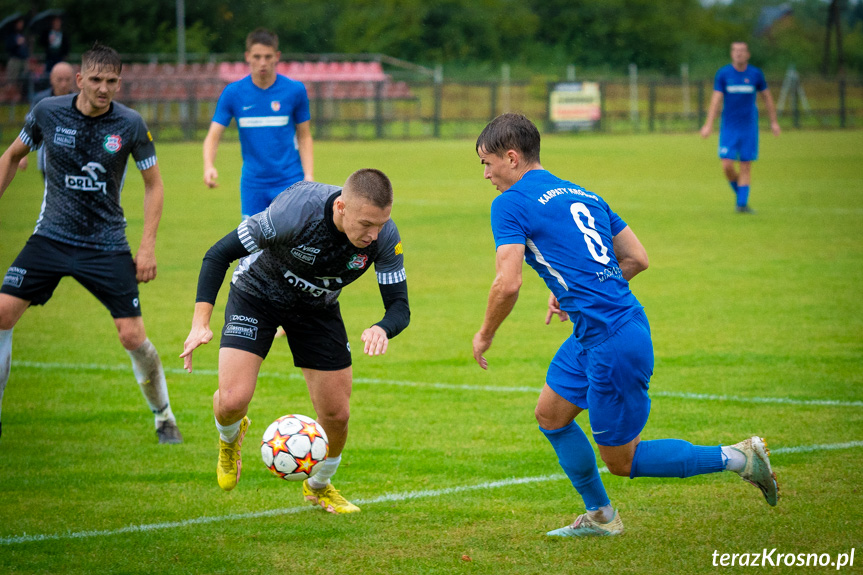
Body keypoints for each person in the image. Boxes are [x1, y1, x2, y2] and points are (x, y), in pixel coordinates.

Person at [472, 113, 778, 537]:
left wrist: (485, 335)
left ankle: (740, 457)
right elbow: (637, 258)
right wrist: (576, 291)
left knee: (622, 461)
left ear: (512, 157)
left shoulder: (509, 203)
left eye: (487, 163)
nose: (485, 174)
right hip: (602, 330)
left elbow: (507, 284)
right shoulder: (584, 194)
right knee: (551, 416)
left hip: (612, 343)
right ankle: (601, 517)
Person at [180, 169, 409, 513]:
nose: (374, 235)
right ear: (342, 207)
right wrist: (200, 323)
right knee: (232, 400)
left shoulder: (385, 236)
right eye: (366, 225)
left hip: (317, 308)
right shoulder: (295, 211)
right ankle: (230, 441)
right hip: (257, 294)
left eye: (380, 224)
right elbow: (218, 254)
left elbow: (399, 306)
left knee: (337, 413)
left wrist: (382, 327)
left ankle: (318, 486)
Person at [0, 43, 182, 444]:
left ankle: (163, 416)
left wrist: (146, 247)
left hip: (106, 244)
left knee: (132, 336)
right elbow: (13, 155)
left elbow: (154, 185)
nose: (104, 88)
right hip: (50, 236)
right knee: (1, 314)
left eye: (112, 81)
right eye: (96, 80)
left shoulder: (130, 124)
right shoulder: (48, 112)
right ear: (80, 79)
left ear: (119, 82)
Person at [203, 27, 314, 219]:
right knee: (254, 247)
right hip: (253, 184)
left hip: (290, 180)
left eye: (268, 56)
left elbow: (304, 136)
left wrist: (309, 175)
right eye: (257, 56)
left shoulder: (295, 90)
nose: (262, 62)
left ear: (277, 56)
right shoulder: (233, 93)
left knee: (290, 244)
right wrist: (208, 165)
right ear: (247, 56)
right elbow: (213, 136)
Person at [700, 42, 780, 213]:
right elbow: (716, 100)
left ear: (748, 54)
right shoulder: (724, 74)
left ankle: (741, 205)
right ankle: (741, 196)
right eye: (736, 51)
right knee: (727, 165)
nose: (739, 54)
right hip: (729, 127)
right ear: (732, 54)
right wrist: (708, 125)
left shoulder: (755, 74)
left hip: (749, 127)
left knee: (745, 165)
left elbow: (767, 98)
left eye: (742, 51)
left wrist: (774, 122)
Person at [18, 61, 75, 174]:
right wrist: (22, 154)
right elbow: (29, 126)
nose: (64, 84)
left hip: (73, 157)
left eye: (67, 79)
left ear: (74, 79)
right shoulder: (42, 101)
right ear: (51, 79)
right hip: (47, 155)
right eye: (60, 79)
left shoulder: (78, 101)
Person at [4, 17, 30, 100]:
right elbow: (7, 47)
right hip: (14, 60)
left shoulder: (22, 34)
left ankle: (22, 97)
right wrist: (16, 43)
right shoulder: (11, 35)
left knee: (23, 80)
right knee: (12, 81)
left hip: (23, 59)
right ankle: (11, 99)